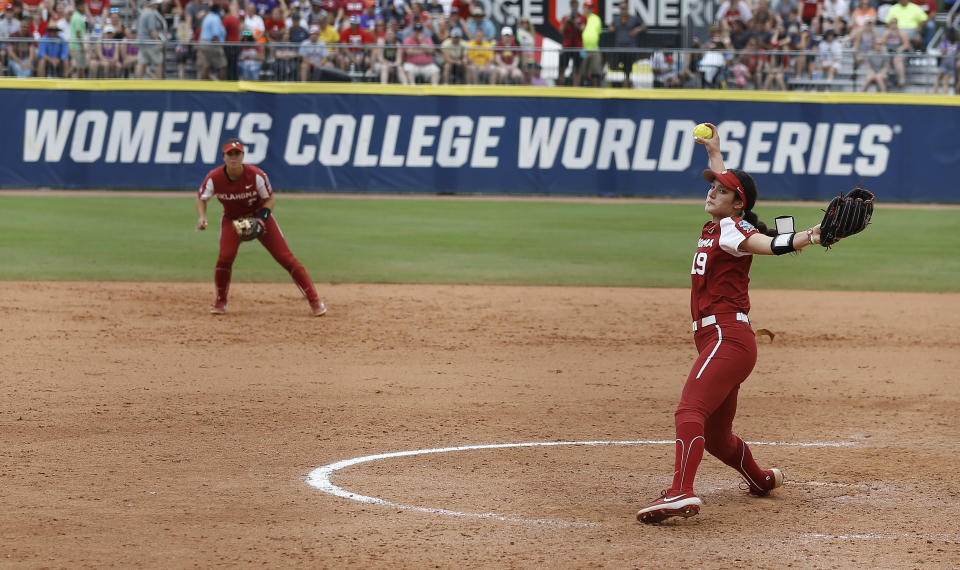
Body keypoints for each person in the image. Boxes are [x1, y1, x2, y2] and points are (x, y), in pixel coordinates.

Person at [636, 122, 822, 524]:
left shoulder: (733, 229)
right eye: (712, 186)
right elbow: (739, 198)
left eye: (721, 190)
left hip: (726, 337)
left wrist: (810, 235)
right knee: (718, 437)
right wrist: (713, 154)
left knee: (690, 410)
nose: (711, 191)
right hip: (720, 340)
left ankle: (680, 492)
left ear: (738, 203)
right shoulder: (724, 223)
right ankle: (760, 480)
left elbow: (768, 245)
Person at [196, 139, 327, 318]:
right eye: (230, 154)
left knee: (285, 258)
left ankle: (314, 300)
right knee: (225, 258)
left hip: (259, 216)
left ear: (243, 156)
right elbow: (202, 198)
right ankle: (220, 300)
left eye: (237, 154)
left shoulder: (256, 175)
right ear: (223, 157)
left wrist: (262, 219)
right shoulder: (214, 177)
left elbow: (270, 199)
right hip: (232, 220)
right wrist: (202, 218)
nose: (234, 158)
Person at [608, 0, 647, 88]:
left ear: (628, 9)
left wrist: (638, 29)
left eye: (625, 8)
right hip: (618, 49)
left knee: (627, 71)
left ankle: (625, 87)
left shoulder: (634, 18)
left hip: (630, 48)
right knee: (612, 66)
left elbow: (644, 26)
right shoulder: (617, 19)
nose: (623, 10)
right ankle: (622, 79)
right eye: (622, 8)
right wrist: (610, 28)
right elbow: (611, 26)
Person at [137, 0, 167, 78]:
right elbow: (152, 30)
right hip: (150, 42)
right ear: (153, 4)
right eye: (157, 4)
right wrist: (158, 43)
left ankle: (136, 84)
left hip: (142, 41)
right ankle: (159, 85)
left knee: (141, 63)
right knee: (158, 62)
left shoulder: (144, 12)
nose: (157, 6)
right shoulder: (150, 14)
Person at [558, 0, 584, 86]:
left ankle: (576, 88)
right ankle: (561, 87)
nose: (574, 6)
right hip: (567, 46)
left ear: (577, 5)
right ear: (570, 5)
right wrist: (567, 22)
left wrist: (574, 23)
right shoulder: (565, 18)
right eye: (572, 4)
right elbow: (561, 31)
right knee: (562, 68)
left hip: (578, 47)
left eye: (575, 4)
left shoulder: (582, 17)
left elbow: (582, 30)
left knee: (577, 69)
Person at [933, 27, 959, 94]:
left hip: (951, 64)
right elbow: (943, 51)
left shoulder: (957, 43)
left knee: (945, 81)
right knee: (940, 79)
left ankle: (943, 95)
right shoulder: (945, 41)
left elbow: (943, 51)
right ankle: (935, 93)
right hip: (945, 63)